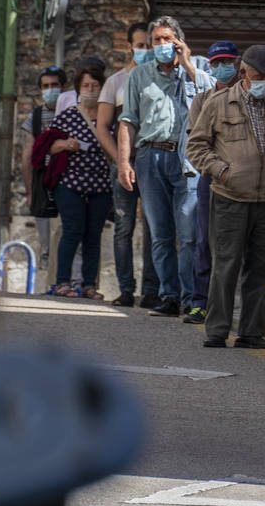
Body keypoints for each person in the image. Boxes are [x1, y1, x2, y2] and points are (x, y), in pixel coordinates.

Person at [188, 45, 265, 349]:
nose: (264, 82)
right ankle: (216, 329)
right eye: (259, 76)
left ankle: (252, 332)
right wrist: (221, 171)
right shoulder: (217, 104)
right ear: (243, 73)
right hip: (229, 196)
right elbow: (196, 147)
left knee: (263, 267)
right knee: (225, 264)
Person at [118, 16, 215, 318]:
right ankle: (168, 295)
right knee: (159, 233)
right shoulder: (139, 76)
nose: (161, 45)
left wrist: (186, 65)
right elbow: (128, 120)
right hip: (150, 157)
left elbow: (214, 98)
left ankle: (191, 297)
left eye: (167, 39)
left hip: (186, 159)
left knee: (188, 234)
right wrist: (124, 161)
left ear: (179, 41)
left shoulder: (196, 70)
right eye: (156, 40)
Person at [97, 24, 161, 308]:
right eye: (140, 44)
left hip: (151, 164)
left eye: (149, 44)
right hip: (123, 166)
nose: (145, 49)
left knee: (154, 227)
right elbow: (102, 127)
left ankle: (151, 290)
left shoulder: (160, 77)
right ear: (129, 47)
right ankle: (125, 289)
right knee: (124, 227)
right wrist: (121, 161)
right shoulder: (116, 82)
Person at [42, 64, 111, 299]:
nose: (90, 90)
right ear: (78, 89)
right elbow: (47, 146)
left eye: (95, 85)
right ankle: (63, 282)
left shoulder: (109, 115)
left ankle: (89, 284)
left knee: (93, 235)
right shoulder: (68, 115)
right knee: (72, 230)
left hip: (101, 185)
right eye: (86, 86)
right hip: (70, 184)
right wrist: (64, 144)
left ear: (102, 88)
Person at [184, 40, 241, 325]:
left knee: (240, 242)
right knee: (205, 239)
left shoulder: (248, 98)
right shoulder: (201, 100)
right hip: (211, 178)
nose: (222, 67)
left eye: (227, 61)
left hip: (244, 180)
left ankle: (235, 304)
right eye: (216, 62)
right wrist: (217, 169)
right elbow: (195, 145)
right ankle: (200, 301)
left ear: (238, 63)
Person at [22, 66, 66, 270]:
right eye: (46, 86)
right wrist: (30, 191)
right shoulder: (36, 117)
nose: (50, 90)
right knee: (46, 242)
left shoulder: (71, 112)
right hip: (43, 183)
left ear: (63, 87)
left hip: (67, 181)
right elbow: (27, 154)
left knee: (66, 234)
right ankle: (47, 280)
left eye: (54, 85)